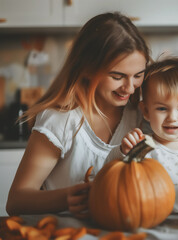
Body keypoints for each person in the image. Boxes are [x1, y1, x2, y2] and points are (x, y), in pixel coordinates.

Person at [6, 12, 150, 218]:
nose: (130, 87)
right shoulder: (60, 120)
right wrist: (66, 198)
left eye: (138, 75)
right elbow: (16, 201)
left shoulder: (141, 115)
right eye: (117, 76)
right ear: (87, 69)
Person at [106, 57, 178, 213]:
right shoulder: (142, 145)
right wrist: (122, 152)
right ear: (145, 111)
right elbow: (110, 173)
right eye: (162, 109)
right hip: (151, 219)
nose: (172, 117)